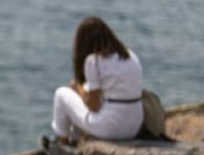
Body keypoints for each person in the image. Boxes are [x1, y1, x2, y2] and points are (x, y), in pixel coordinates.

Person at [49, 16, 143, 146]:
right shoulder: (130, 55)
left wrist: (78, 90)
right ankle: (75, 139)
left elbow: (93, 107)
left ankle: (62, 143)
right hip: (133, 126)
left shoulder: (94, 61)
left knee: (61, 94)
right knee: (85, 95)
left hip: (111, 128)